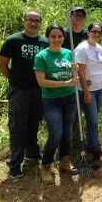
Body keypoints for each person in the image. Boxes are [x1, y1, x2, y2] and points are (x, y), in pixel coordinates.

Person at [0, 10, 49, 179]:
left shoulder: (44, 42)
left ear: (40, 23)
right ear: (24, 21)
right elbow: (2, 63)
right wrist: (13, 79)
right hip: (19, 91)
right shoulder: (13, 40)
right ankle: (14, 164)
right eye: (30, 20)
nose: (33, 23)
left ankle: (32, 154)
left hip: (38, 90)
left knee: (33, 123)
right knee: (17, 127)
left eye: (37, 21)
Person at [34, 24, 79, 184]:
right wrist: (67, 83)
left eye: (59, 36)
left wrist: (76, 69)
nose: (57, 39)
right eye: (53, 36)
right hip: (51, 100)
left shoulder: (69, 53)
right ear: (48, 37)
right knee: (55, 134)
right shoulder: (42, 57)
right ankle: (46, 166)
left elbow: (74, 76)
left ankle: (63, 160)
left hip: (70, 99)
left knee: (66, 131)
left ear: (63, 38)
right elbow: (41, 82)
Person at [74, 22, 102, 166]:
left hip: (100, 88)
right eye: (94, 31)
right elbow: (80, 72)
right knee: (93, 121)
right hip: (87, 90)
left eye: (99, 32)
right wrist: (86, 93)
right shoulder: (82, 49)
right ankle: (95, 151)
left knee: (93, 119)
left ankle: (92, 143)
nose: (97, 34)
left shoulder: (100, 49)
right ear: (88, 32)